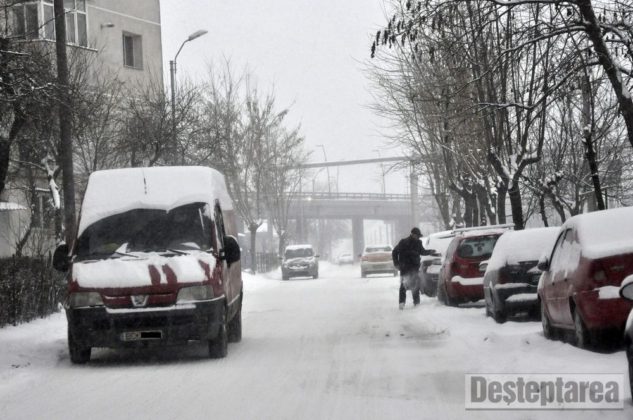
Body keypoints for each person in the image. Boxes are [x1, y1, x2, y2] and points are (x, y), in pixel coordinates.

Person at [392, 227, 433, 309]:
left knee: (415, 284)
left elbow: (422, 251)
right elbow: (394, 252)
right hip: (404, 267)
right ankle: (402, 303)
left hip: (414, 267)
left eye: (419, 236)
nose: (418, 237)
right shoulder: (403, 242)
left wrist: (430, 251)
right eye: (417, 236)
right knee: (404, 284)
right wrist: (396, 263)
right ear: (413, 234)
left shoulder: (419, 242)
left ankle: (416, 303)